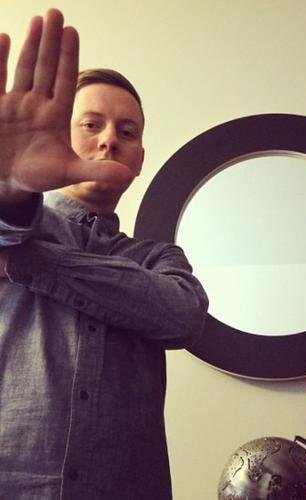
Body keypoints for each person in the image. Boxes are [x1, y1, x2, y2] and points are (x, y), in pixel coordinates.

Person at [0, 9, 208, 499]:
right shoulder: (18, 224)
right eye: (91, 124)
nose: (109, 139)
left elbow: (182, 315)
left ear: (139, 160)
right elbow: (9, 227)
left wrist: (26, 264)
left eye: (127, 132)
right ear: (60, 132)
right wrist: (12, 189)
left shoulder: (159, 258)